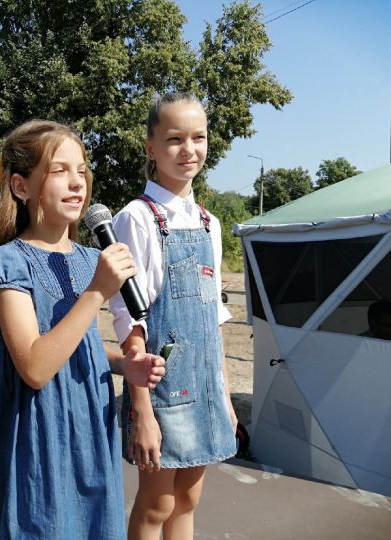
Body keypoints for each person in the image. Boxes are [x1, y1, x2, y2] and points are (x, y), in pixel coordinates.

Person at [0, 119, 166, 539]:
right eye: (60, 171)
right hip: (38, 426)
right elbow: (36, 367)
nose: (77, 182)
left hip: (88, 421)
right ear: (21, 187)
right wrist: (96, 292)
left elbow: (79, 345)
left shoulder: (85, 258)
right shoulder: (10, 262)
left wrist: (121, 365)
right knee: (45, 523)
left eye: (82, 170)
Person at [109, 92, 237, 539]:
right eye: (175, 139)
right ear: (150, 147)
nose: (189, 150)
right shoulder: (138, 218)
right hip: (162, 392)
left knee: (188, 499)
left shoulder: (209, 222)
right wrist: (141, 410)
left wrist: (224, 394)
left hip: (204, 387)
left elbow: (212, 318)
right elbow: (130, 321)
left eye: (198, 138)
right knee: (157, 503)